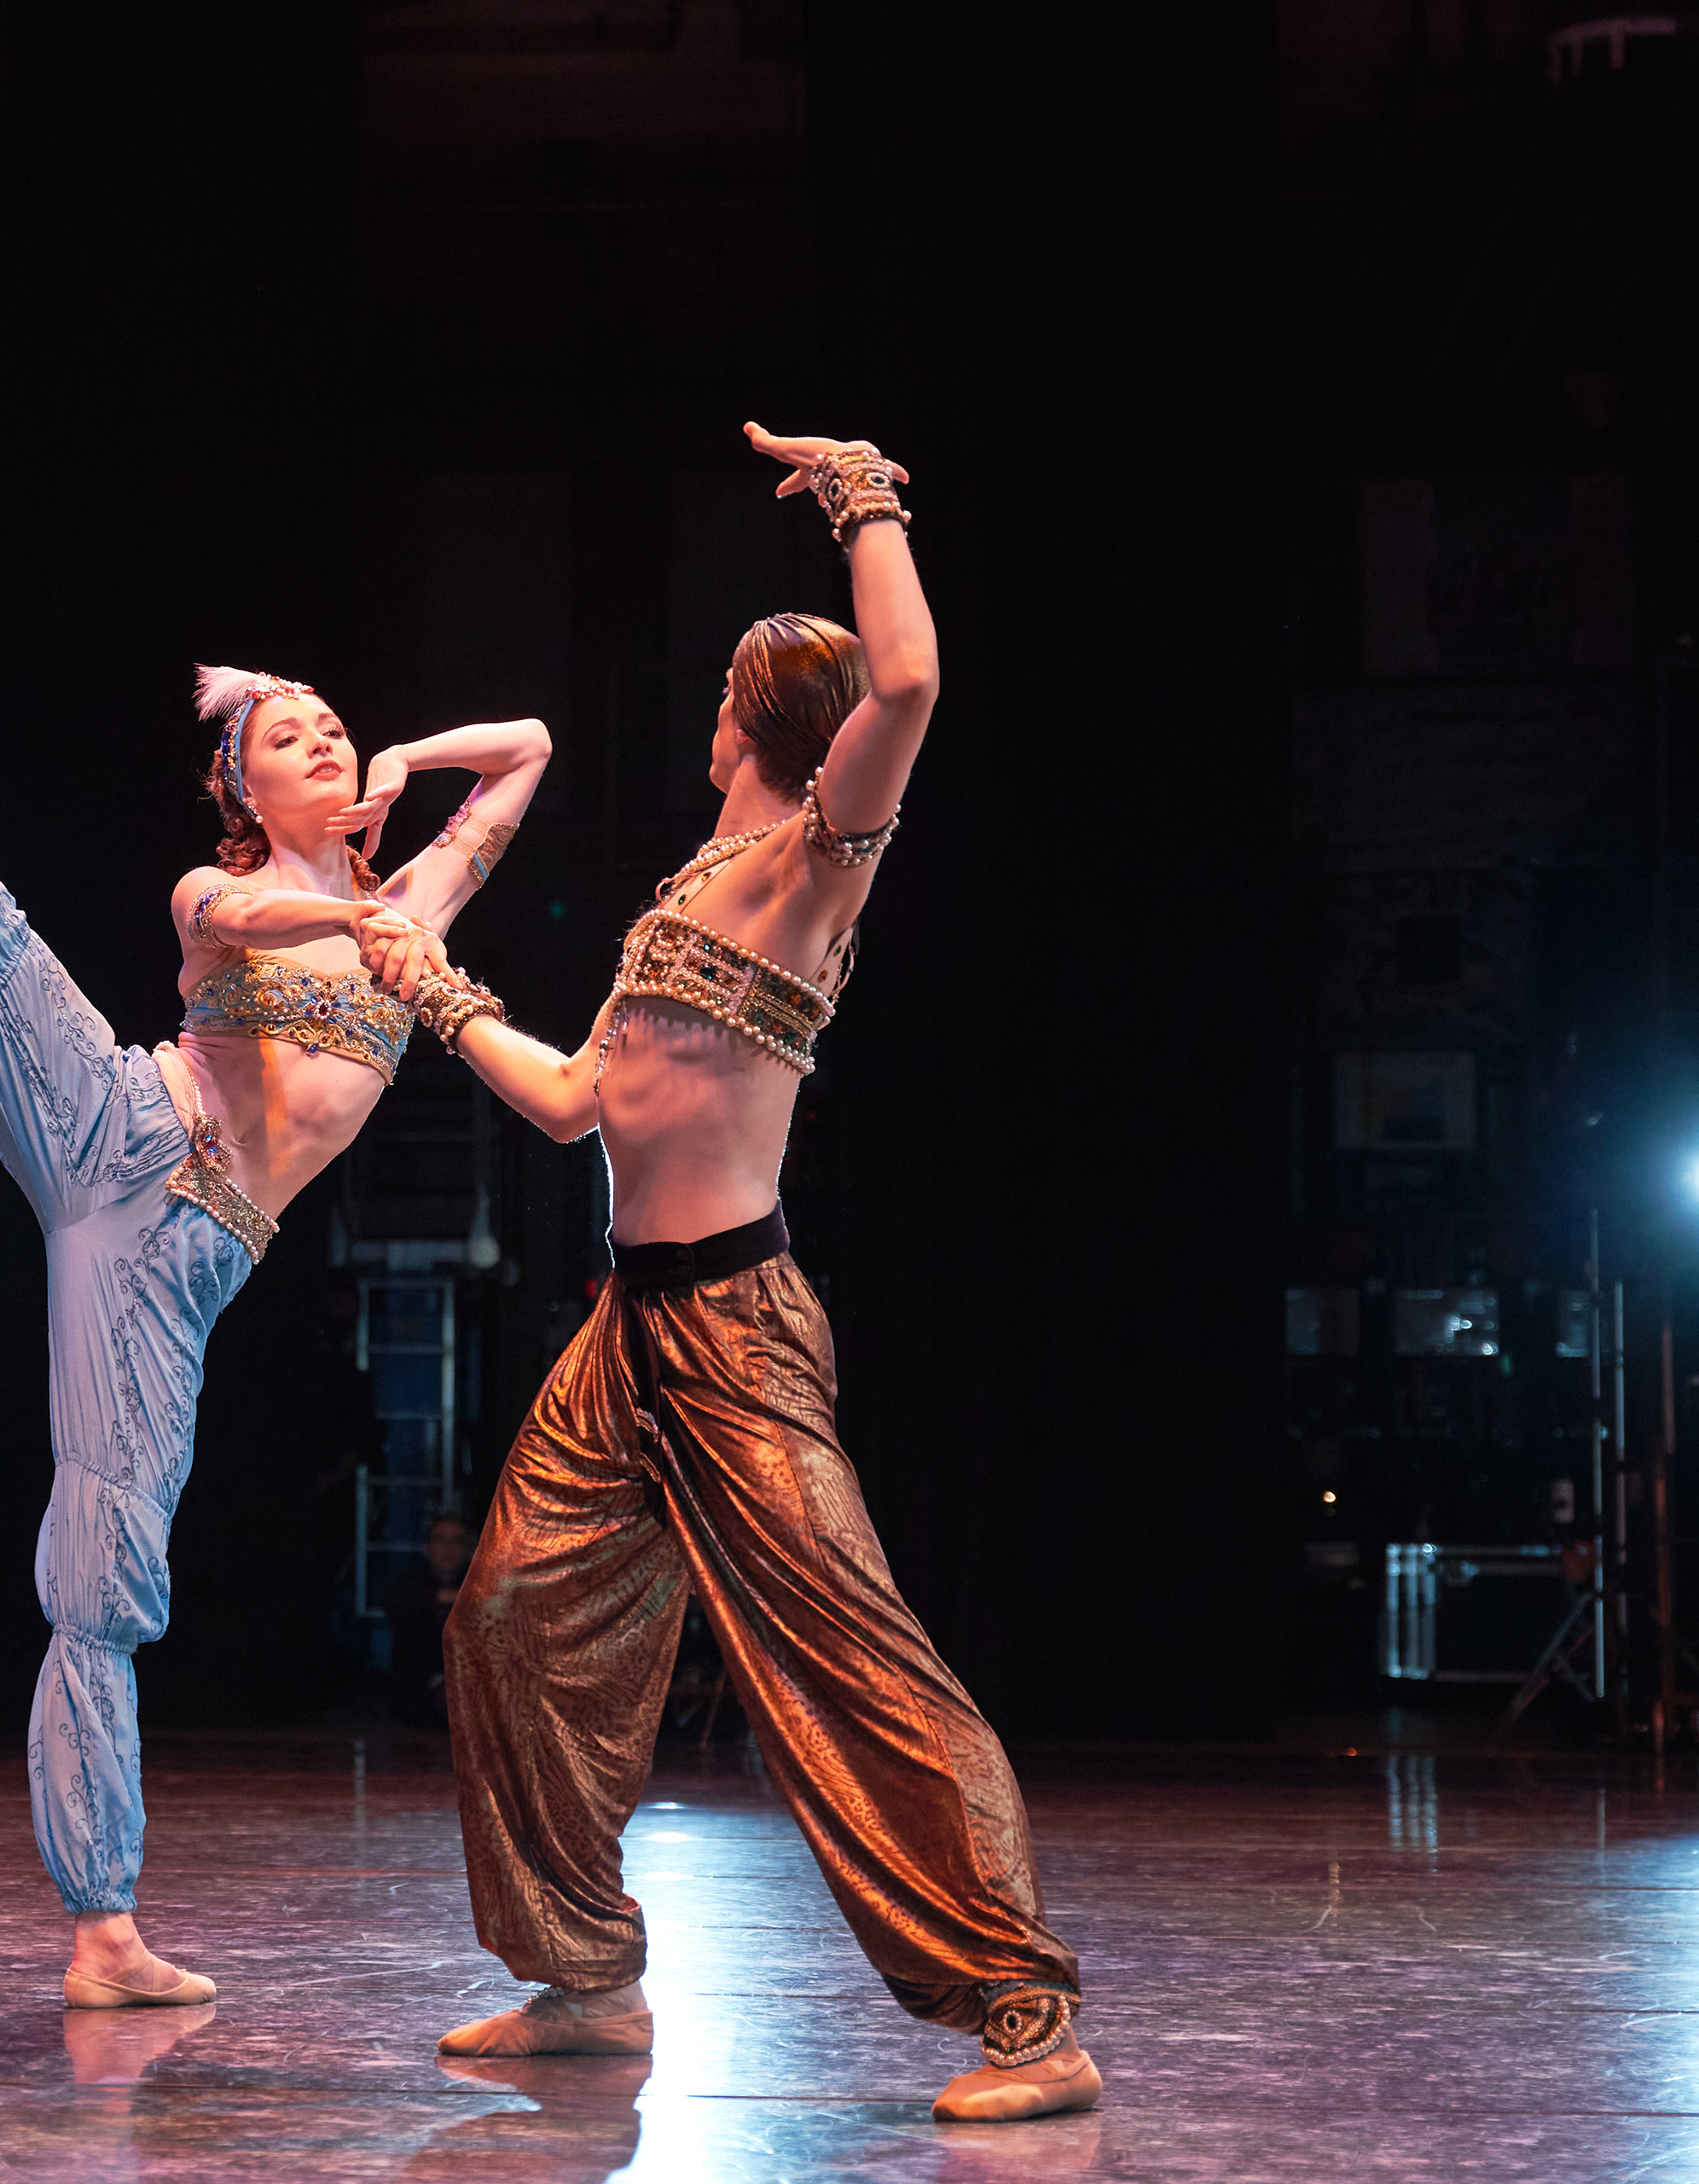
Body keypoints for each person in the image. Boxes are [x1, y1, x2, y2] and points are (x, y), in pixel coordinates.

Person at [0, 409, 552, 2010]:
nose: (322, 737)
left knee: (109, 1572)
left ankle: (102, 1931)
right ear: (243, 786)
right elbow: (241, 922)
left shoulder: (413, 899)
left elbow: (526, 749)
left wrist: (410, 767)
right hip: (111, 1115)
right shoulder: (221, 891)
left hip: (182, 1248)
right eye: (288, 734)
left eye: (333, 725)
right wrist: (359, 924)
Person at [358, 421, 1099, 2123]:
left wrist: (865, 495)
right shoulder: (688, 890)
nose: (703, 706)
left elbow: (908, 680)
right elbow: (574, 1106)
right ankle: (585, 1975)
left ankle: (1025, 2011)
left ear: (764, 719)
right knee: (508, 1619)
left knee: (849, 1662)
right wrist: (436, 992)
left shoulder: (810, 866)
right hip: (626, 1330)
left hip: (740, 1328)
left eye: (721, 688)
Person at [383, 1511, 476, 1726]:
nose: (447, 1549)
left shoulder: (484, 1586)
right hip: (418, 1694)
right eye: (439, 1540)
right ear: (428, 1547)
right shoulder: (408, 1587)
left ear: (469, 1549)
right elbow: (396, 1603)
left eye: (456, 1541)